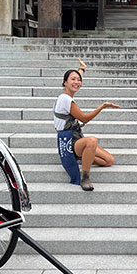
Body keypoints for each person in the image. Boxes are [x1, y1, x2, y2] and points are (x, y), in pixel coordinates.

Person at [53, 60, 118, 191]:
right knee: (92, 140)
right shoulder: (65, 99)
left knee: (109, 160)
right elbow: (84, 119)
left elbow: (77, 76)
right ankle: (85, 177)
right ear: (65, 82)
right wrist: (102, 107)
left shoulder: (67, 96)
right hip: (69, 140)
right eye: (73, 79)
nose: (77, 82)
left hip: (76, 137)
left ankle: (85, 156)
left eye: (79, 80)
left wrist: (82, 68)